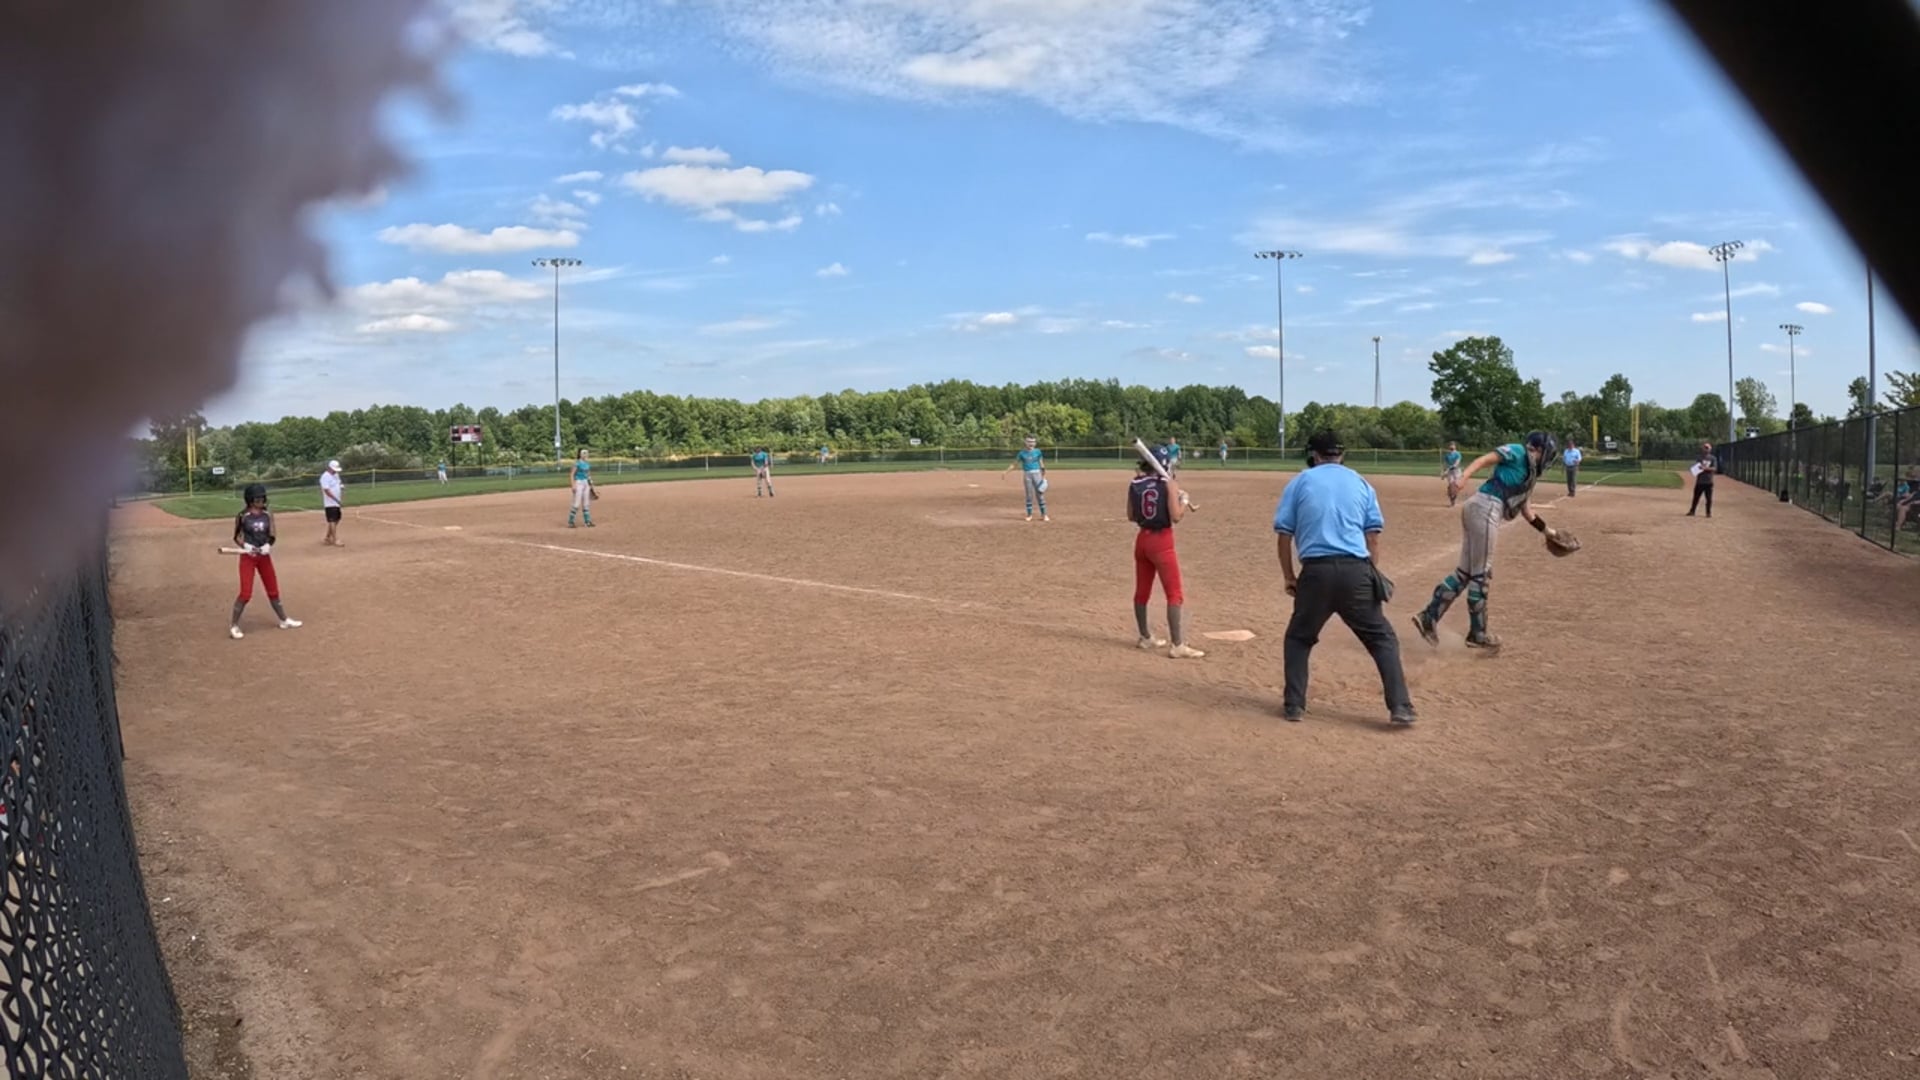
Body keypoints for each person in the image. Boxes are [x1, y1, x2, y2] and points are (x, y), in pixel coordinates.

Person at [1272, 431, 1414, 725]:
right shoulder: (1361, 483)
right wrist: (1369, 572)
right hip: (1355, 571)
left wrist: (1289, 577)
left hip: (1315, 572)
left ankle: (1294, 706)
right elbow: (1373, 537)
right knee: (1382, 639)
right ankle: (1400, 706)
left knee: (1299, 638)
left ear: (1314, 455)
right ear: (1342, 455)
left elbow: (1284, 535)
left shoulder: (1300, 482)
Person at [1411, 431, 1562, 653]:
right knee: (1480, 575)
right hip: (1486, 507)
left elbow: (1527, 512)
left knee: (1464, 573)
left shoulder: (1529, 475)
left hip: (1481, 509)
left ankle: (1428, 617)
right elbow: (1484, 459)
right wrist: (1463, 479)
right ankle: (1478, 634)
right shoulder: (1518, 451)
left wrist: (1549, 532)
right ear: (1539, 450)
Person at [1127, 446, 1204, 659]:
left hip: (1142, 540)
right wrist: (1183, 501)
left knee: (1142, 591)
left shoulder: (1135, 483)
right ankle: (1177, 645)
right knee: (1174, 593)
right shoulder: (1168, 484)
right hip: (1162, 542)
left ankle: (1145, 637)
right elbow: (1176, 516)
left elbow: (1131, 516)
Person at [230, 484, 302, 639]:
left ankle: (284, 620)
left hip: (264, 556)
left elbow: (272, 533)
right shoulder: (242, 516)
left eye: (262, 498)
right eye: (258, 499)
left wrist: (268, 545)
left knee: (273, 589)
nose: (261, 501)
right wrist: (246, 546)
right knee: (245, 593)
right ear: (250, 500)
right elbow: (237, 537)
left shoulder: (267, 514)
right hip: (248, 557)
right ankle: (234, 625)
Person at [1003, 435, 1049, 522]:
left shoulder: (1038, 451)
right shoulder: (1022, 453)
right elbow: (1014, 464)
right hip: (1027, 474)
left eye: (1033, 442)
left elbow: (1041, 463)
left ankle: (1044, 515)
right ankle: (1029, 515)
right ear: (1025, 442)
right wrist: (1006, 472)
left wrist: (1043, 475)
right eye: (1029, 442)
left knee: (1040, 494)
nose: (1031, 443)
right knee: (1029, 495)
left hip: (1037, 474)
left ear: (1035, 443)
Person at [1688, 441, 1718, 517]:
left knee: (1708, 498)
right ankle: (1692, 511)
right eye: (1704, 448)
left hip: (1709, 481)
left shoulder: (1713, 458)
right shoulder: (1699, 458)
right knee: (1696, 497)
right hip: (1700, 481)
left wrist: (1705, 468)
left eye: (1707, 448)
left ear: (1710, 449)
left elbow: (1714, 468)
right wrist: (1695, 470)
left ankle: (1708, 512)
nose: (1706, 449)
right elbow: (1697, 467)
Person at [568, 448, 595, 528]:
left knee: (586, 503)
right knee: (576, 504)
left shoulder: (587, 464)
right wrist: (573, 485)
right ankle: (571, 522)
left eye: (586, 453)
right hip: (578, 482)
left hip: (586, 483)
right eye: (584, 453)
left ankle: (587, 522)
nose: (586, 454)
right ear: (580, 454)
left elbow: (588, 475)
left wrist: (591, 485)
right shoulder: (577, 463)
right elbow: (572, 474)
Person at [319, 459, 344, 546]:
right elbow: (327, 491)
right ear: (330, 468)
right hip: (330, 503)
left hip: (336, 502)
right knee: (332, 520)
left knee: (337, 519)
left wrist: (341, 486)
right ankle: (335, 539)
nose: (335, 471)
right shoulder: (325, 477)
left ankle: (327, 537)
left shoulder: (336, 475)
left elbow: (339, 483)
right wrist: (336, 499)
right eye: (334, 469)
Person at [1442, 442, 1464, 506]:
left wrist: (1448, 469)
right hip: (1450, 472)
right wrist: (1444, 472)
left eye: (1453, 445)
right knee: (1451, 486)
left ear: (1455, 446)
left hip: (1457, 471)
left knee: (1456, 486)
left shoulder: (1458, 454)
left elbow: (1456, 464)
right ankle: (1452, 501)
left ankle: (1454, 498)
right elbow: (1445, 464)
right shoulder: (1447, 455)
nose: (1451, 446)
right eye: (1450, 445)